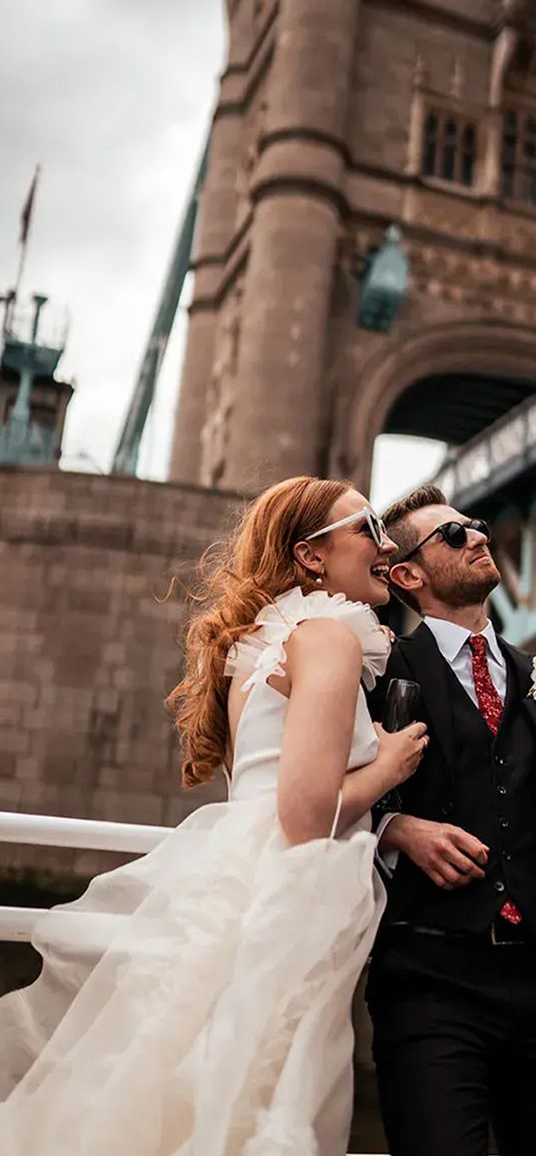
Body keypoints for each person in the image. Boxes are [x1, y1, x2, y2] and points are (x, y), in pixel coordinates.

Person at [0, 475, 427, 1156]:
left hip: (231, 881)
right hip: (285, 899)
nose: (387, 542)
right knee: (254, 1102)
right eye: (368, 527)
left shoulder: (260, 640)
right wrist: (391, 764)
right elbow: (304, 813)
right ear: (310, 557)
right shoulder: (326, 636)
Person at [367, 484, 536, 1156]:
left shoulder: (530, 674)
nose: (480, 536)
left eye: (478, 524)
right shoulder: (378, 672)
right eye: (455, 535)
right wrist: (394, 828)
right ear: (408, 574)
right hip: (430, 982)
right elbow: (317, 791)